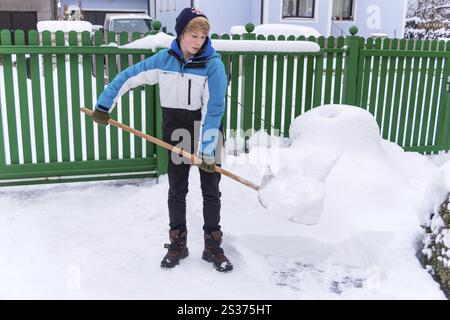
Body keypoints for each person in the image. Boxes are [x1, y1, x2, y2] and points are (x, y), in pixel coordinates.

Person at [91, 7, 233, 272]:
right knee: (177, 190)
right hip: (175, 132)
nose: (198, 41)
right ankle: (178, 242)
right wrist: (104, 105)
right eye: (193, 35)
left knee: (210, 191)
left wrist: (207, 149)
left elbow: (213, 110)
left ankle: (213, 245)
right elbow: (128, 77)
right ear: (180, 33)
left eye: (202, 37)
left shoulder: (213, 66)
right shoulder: (163, 61)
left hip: (208, 131)